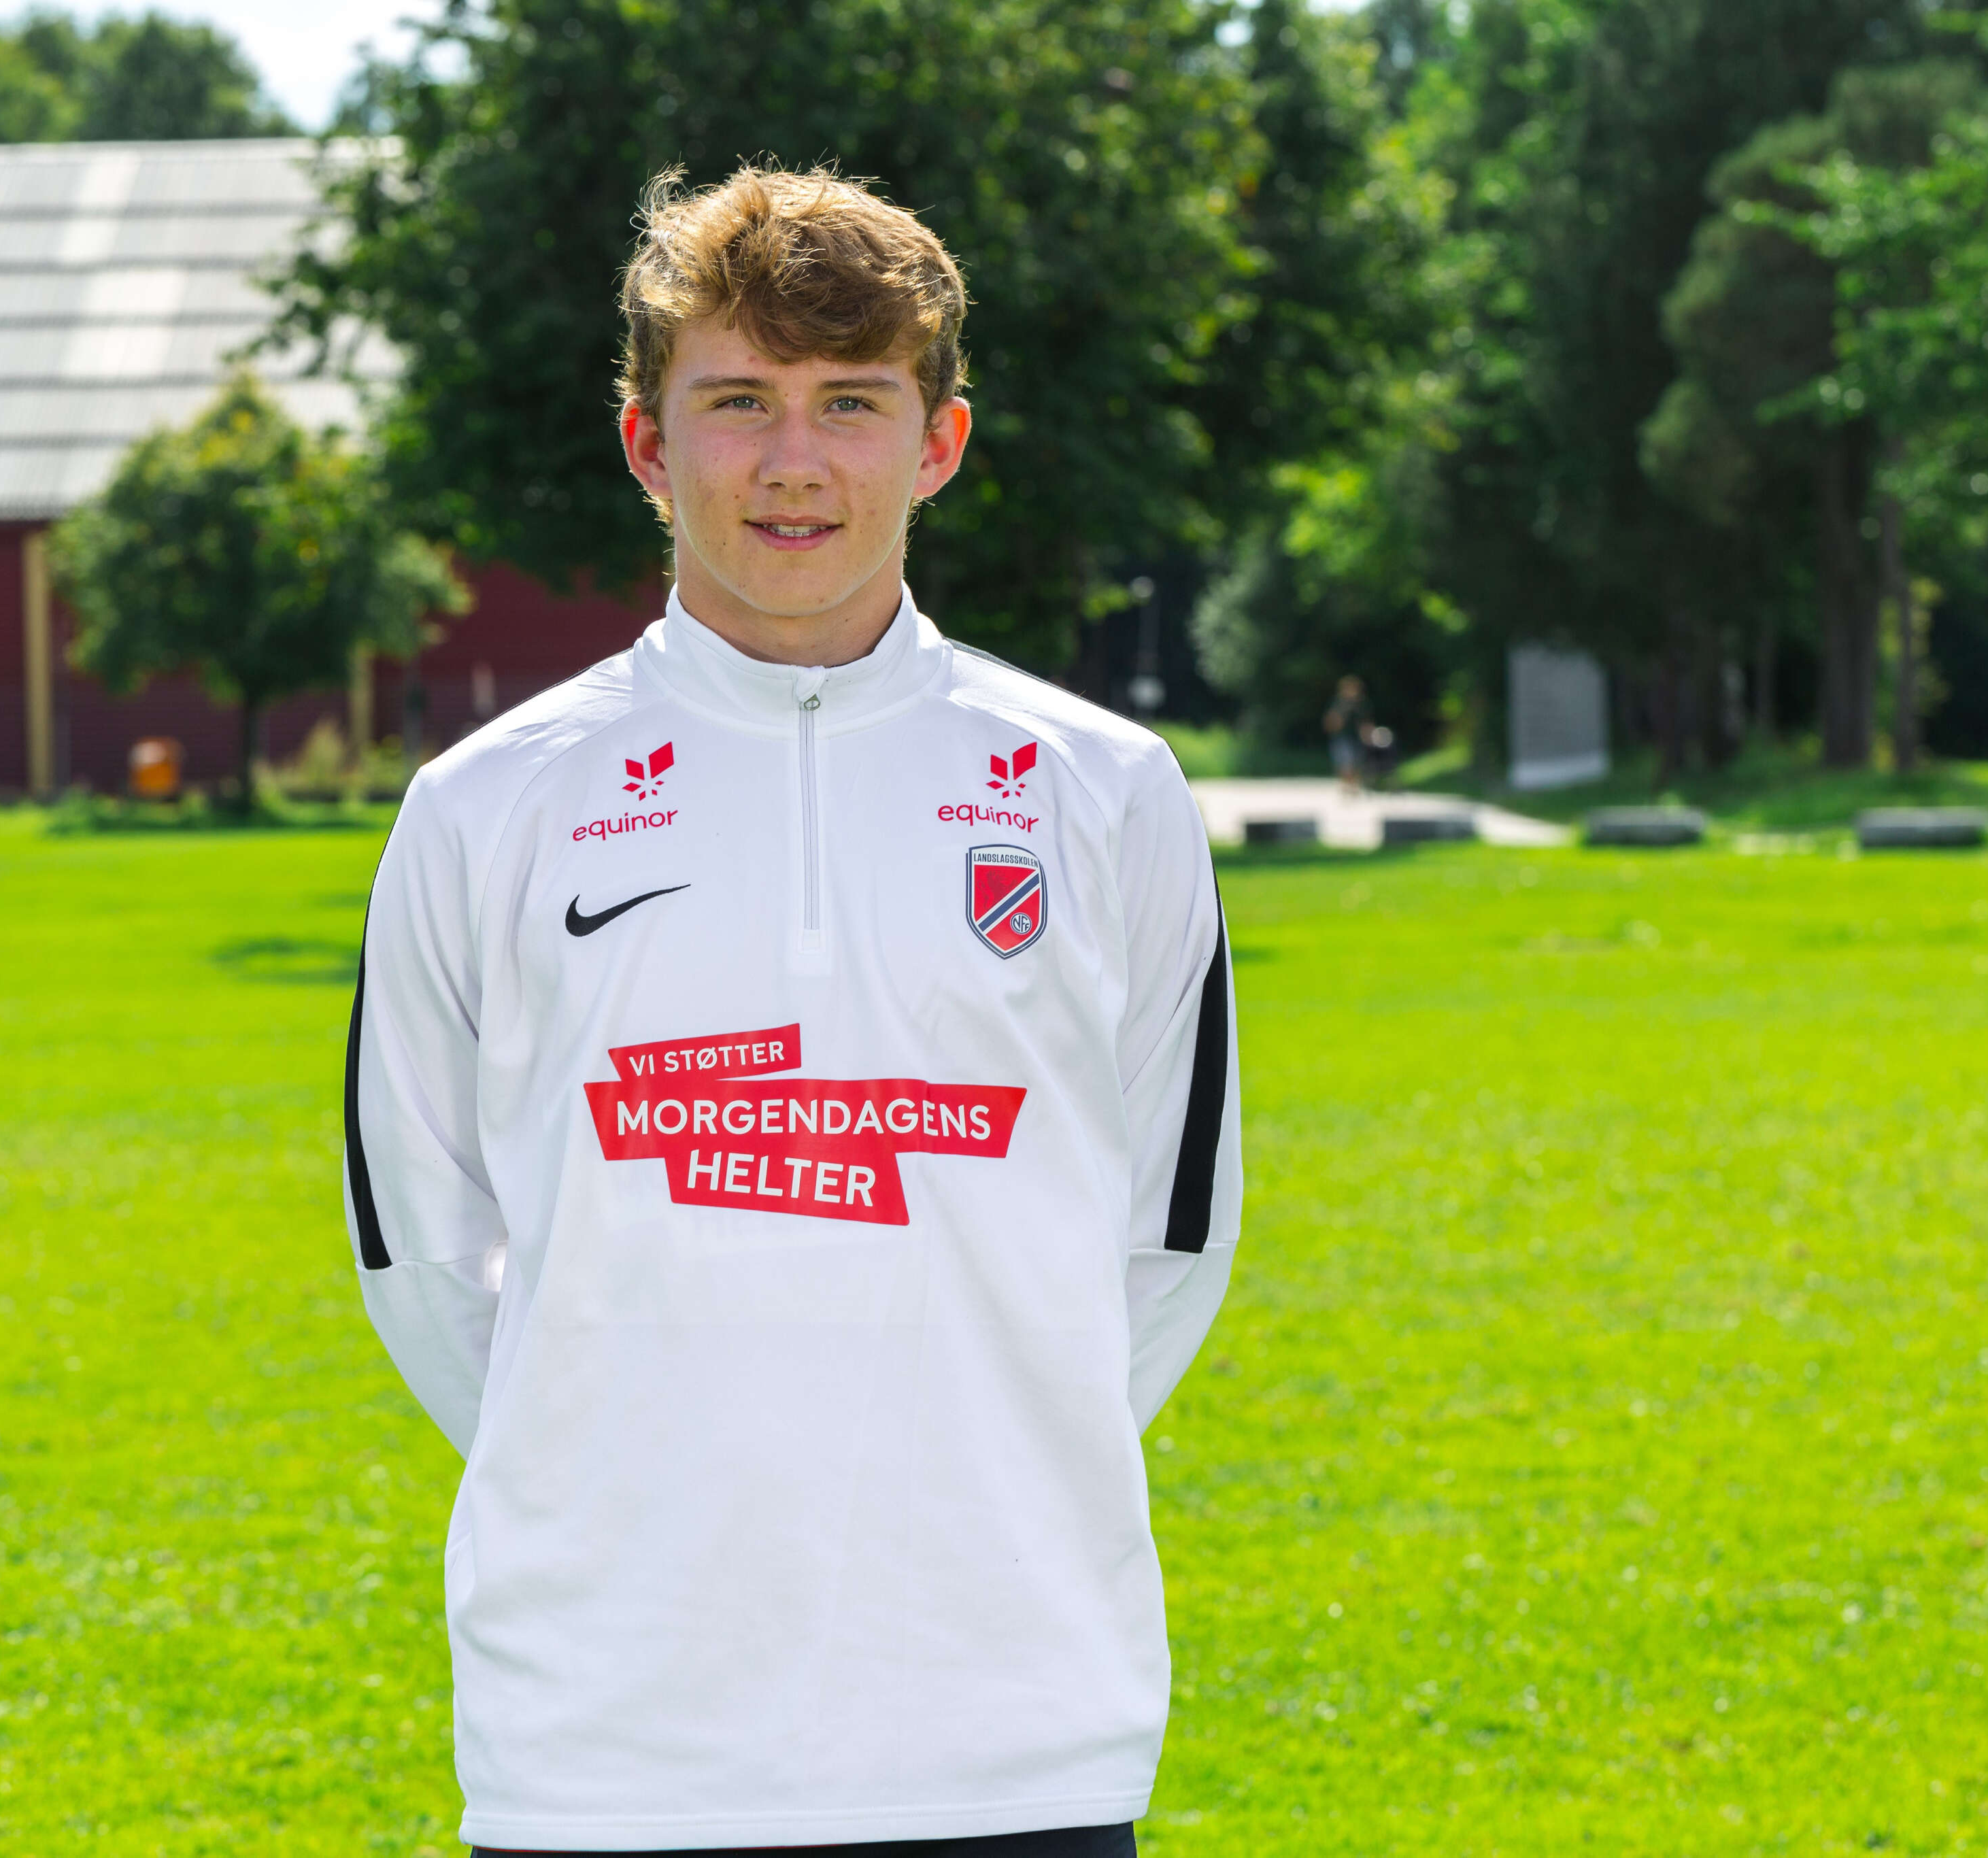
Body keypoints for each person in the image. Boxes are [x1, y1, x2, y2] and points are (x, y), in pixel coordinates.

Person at [345, 165, 1243, 1858]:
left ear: (938, 442)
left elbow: (1169, 1236)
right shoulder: (486, 806)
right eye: (737, 401)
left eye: (850, 402)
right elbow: (417, 1247)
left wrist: (973, 1451)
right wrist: (614, 1455)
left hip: (1014, 1725)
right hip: (604, 1741)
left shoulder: (1103, 790)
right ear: (646, 444)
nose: (792, 460)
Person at [1324, 675, 1370, 796]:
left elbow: (1366, 721)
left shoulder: (1361, 704)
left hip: (1357, 737)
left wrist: (1367, 734)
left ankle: (1353, 785)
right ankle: (1347, 785)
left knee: (1357, 762)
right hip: (1342, 737)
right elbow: (1331, 720)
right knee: (1345, 761)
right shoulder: (1338, 703)